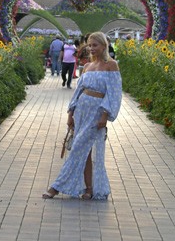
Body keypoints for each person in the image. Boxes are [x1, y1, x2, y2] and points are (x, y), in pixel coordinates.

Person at [42, 32, 122, 200]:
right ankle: (88, 188)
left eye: (95, 45)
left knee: (78, 147)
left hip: (96, 113)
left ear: (104, 46)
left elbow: (114, 93)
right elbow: (77, 93)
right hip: (81, 112)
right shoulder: (87, 66)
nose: (92, 49)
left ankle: (57, 186)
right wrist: (71, 114)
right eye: (90, 45)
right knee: (83, 151)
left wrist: (105, 116)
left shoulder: (111, 65)